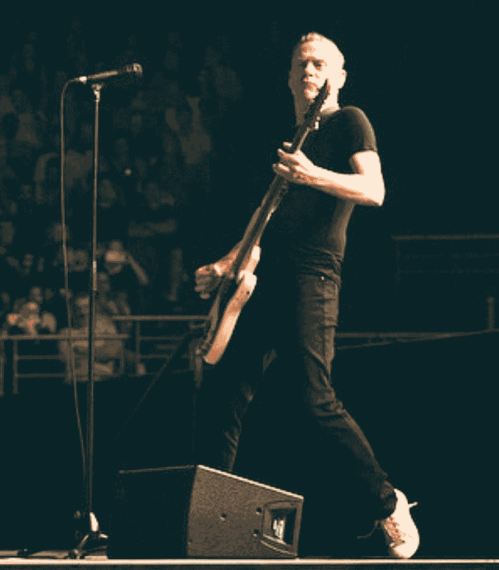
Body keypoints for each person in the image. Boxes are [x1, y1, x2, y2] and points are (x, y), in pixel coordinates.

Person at [191, 33, 418, 559]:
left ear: (340, 76)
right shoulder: (294, 137)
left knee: (313, 400)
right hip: (264, 280)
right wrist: (225, 265)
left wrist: (312, 174)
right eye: (301, 64)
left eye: (319, 63)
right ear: (289, 78)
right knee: (221, 394)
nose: (309, 71)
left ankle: (388, 503)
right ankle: (205, 524)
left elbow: (375, 190)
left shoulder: (350, 120)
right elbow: (266, 217)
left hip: (312, 277)